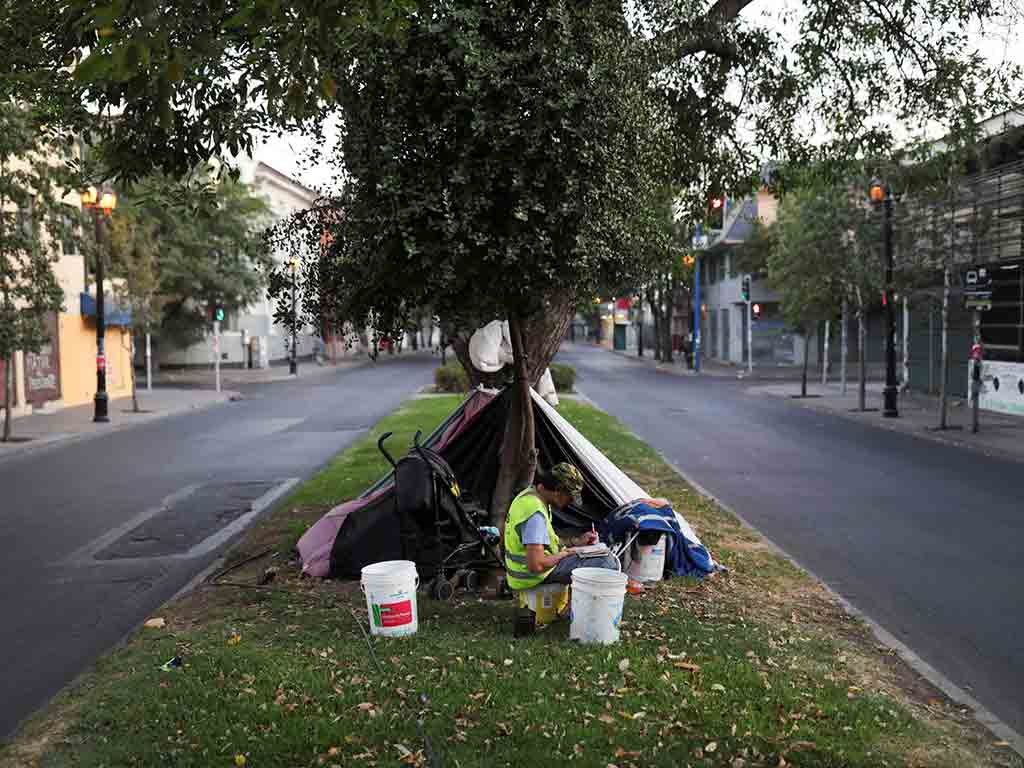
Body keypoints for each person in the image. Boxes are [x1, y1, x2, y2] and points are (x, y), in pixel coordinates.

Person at [503, 462, 620, 590]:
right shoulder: (535, 515)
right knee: (607, 562)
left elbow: (546, 541)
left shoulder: (530, 495)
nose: (570, 503)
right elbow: (536, 566)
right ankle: (584, 607)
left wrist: (576, 541)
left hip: (524, 572)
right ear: (558, 490)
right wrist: (566, 553)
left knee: (601, 555)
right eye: (570, 498)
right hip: (531, 577)